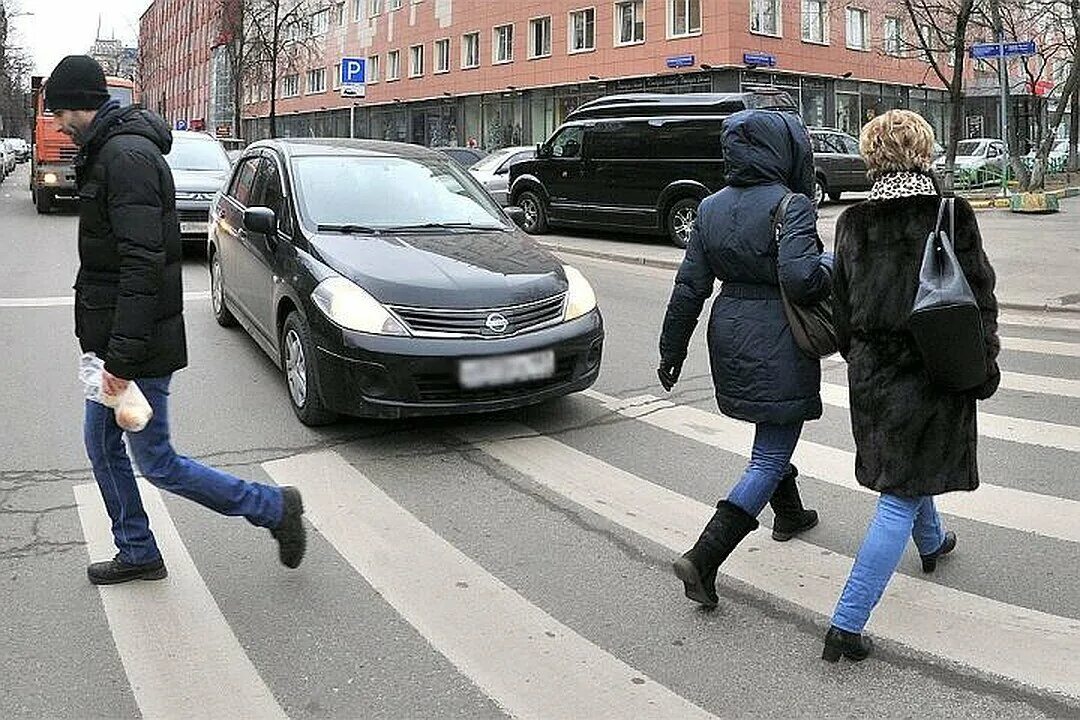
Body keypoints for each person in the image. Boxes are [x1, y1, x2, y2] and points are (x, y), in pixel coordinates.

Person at [46, 55, 306, 585]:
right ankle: (138, 549)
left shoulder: (126, 159)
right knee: (101, 446)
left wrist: (118, 361)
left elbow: (143, 268)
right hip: (112, 344)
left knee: (157, 461)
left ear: (77, 105)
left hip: (132, 350)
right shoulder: (108, 153)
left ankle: (274, 508)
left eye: (56, 112)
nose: (54, 124)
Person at [823, 109, 1000, 662]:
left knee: (904, 467)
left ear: (872, 157)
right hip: (935, 369)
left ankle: (933, 543)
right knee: (899, 493)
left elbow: (842, 309)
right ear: (922, 152)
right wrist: (985, 361)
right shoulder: (950, 212)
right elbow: (980, 296)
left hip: (875, 374)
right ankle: (845, 625)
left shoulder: (853, 222)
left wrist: (861, 357)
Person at [658, 109, 833, 608]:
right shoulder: (791, 204)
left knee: (769, 426)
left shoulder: (709, 207)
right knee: (771, 451)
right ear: (782, 150)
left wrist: (671, 350)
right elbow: (802, 280)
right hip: (777, 333)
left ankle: (790, 513)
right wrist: (830, 262)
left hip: (729, 329)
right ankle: (704, 557)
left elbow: (690, 286)